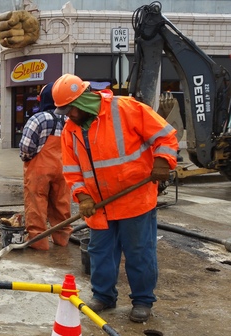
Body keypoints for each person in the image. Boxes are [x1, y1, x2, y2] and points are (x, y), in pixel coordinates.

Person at [52, 73, 178, 323]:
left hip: (134, 199)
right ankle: (104, 296)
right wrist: (83, 196)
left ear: (83, 100)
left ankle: (142, 301)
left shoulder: (126, 109)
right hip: (99, 207)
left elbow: (165, 135)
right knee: (101, 253)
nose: (68, 115)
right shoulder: (71, 130)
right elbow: (71, 169)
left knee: (138, 252)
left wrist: (163, 161)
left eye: (70, 109)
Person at [19, 82, 72, 250]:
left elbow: (26, 148)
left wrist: (28, 158)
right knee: (61, 204)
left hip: (40, 170)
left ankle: (38, 241)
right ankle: (62, 239)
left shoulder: (38, 119)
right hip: (64, 169)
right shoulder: (69, 119)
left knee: (36, 203)